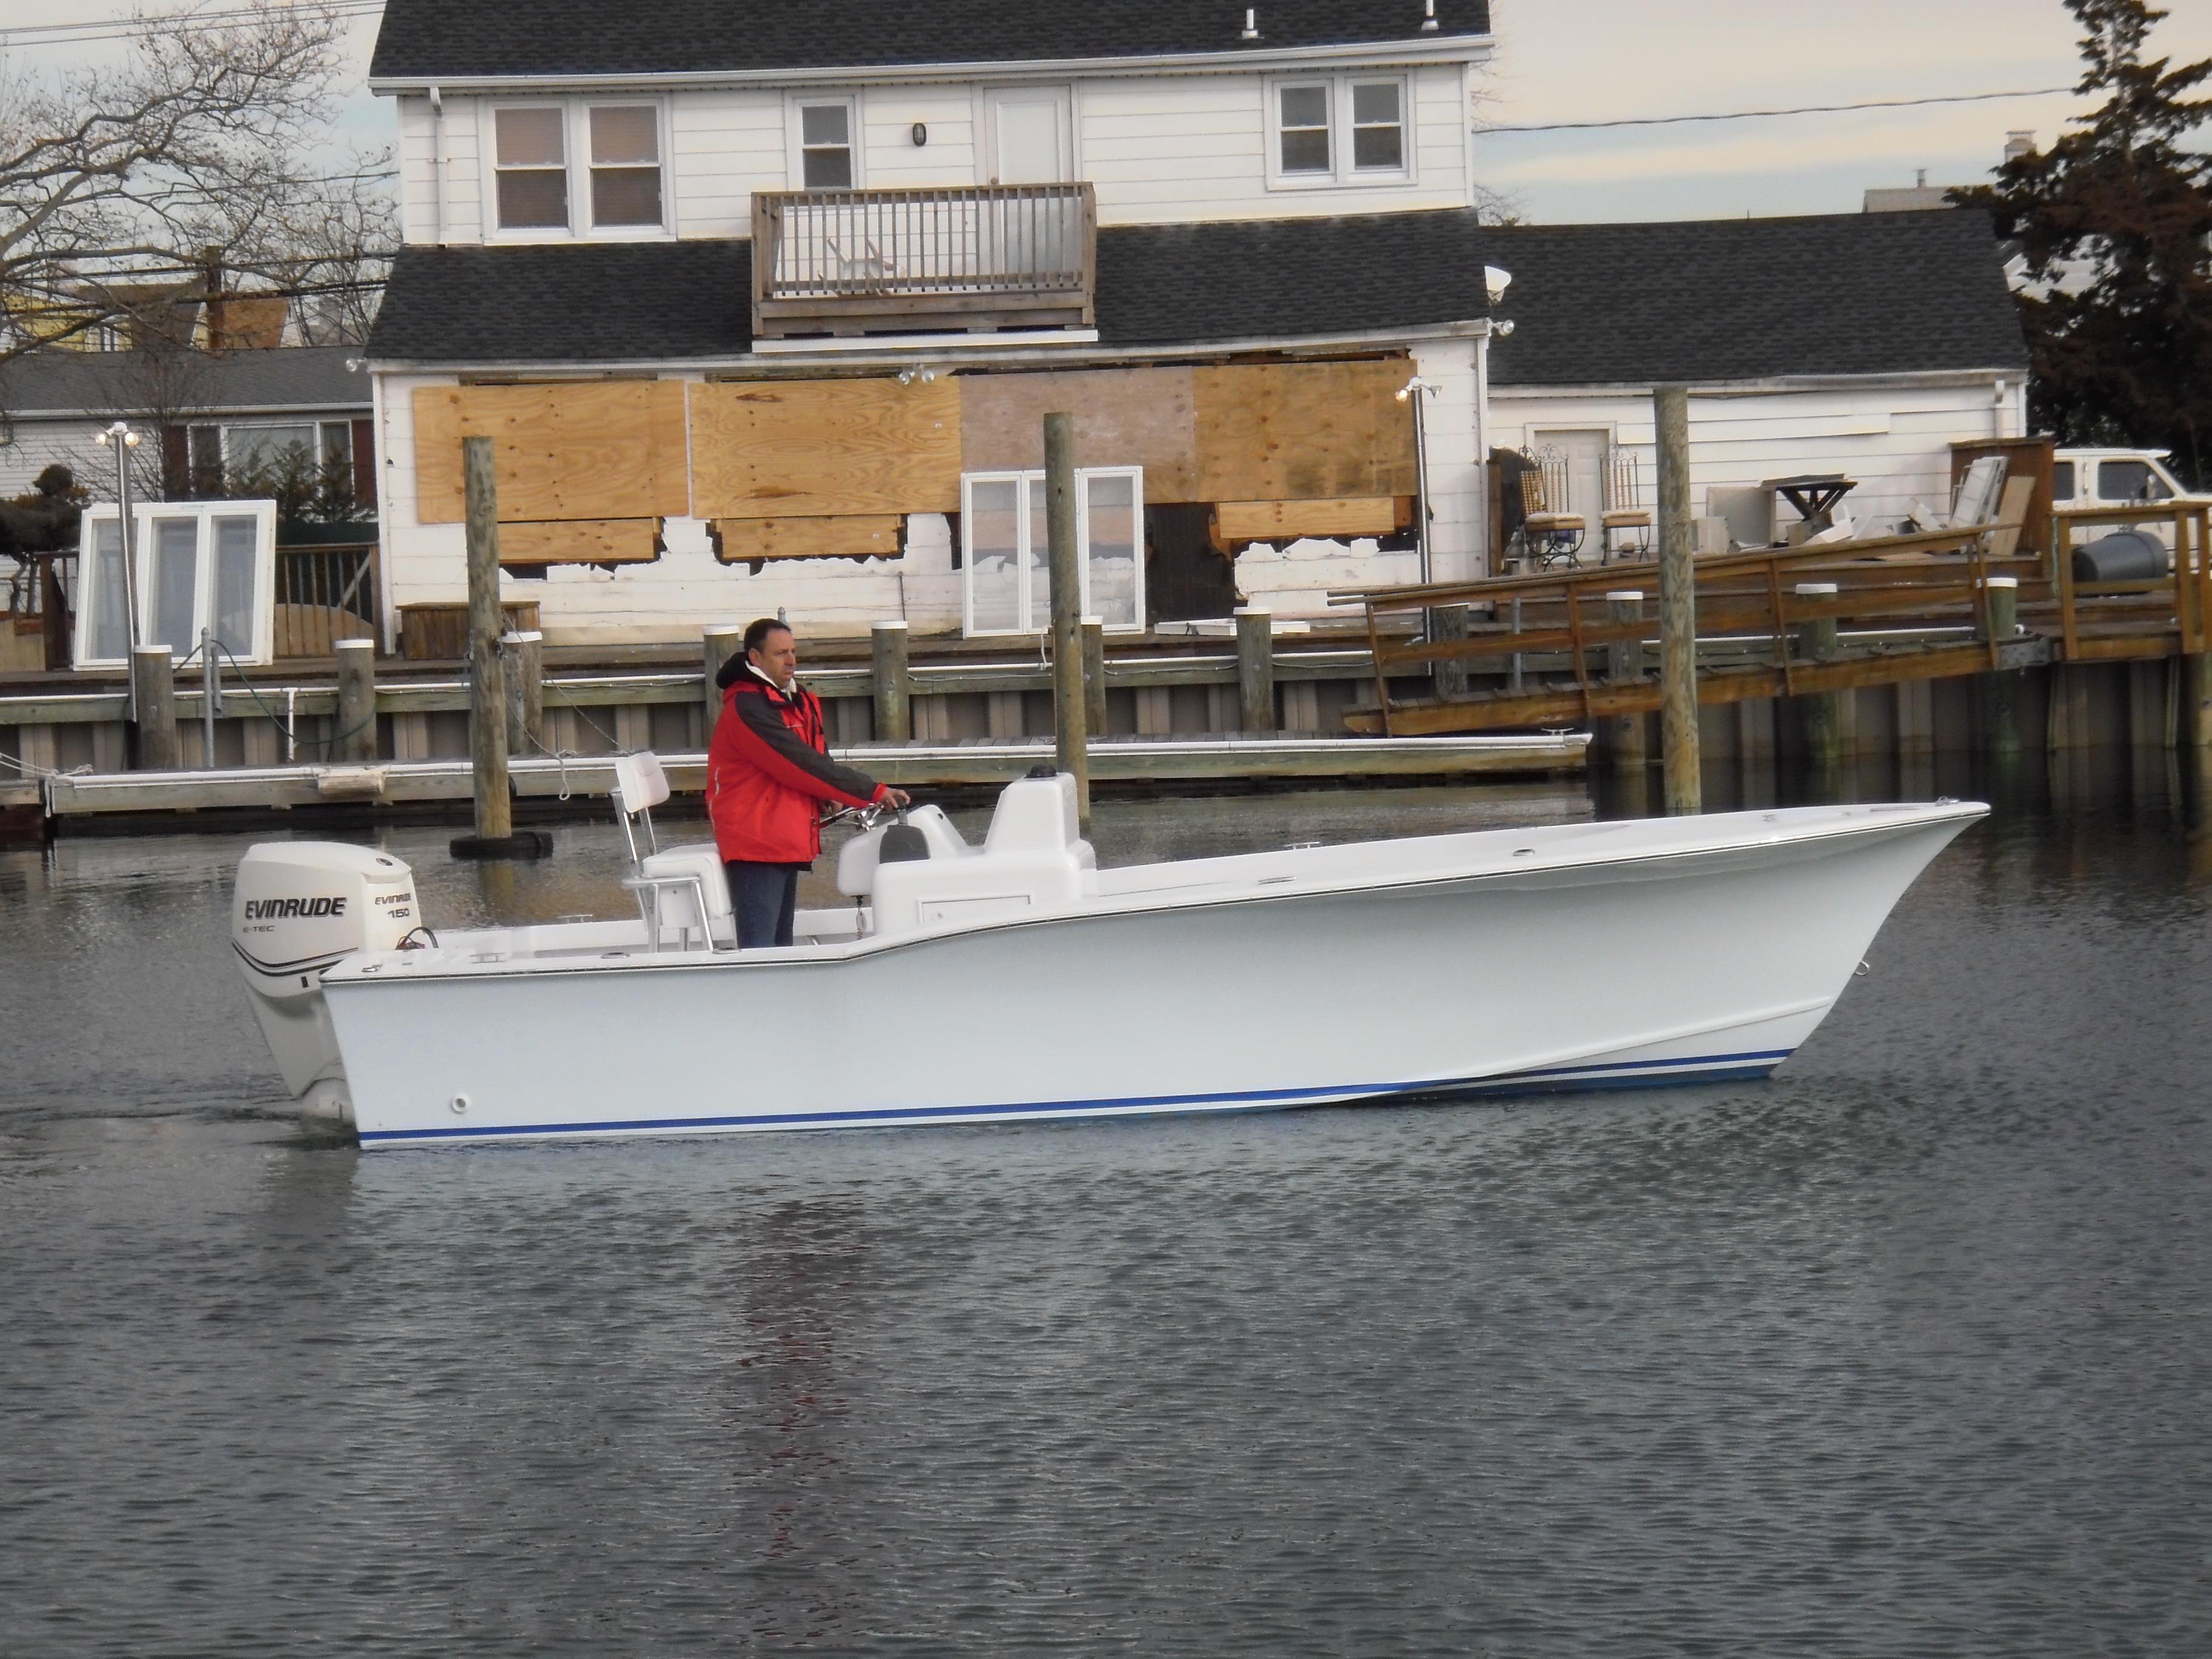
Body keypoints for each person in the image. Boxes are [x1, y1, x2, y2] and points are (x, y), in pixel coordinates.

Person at [706, 617, 910, 948]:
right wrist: (872, 791)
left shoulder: (792, 700)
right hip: (756, 838)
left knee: (780, 942)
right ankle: (758, 997)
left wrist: (826, 796)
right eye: (780, 654)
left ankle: (778, 996)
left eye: (793, 652)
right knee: (761, 945)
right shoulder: (748, 707)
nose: (791, 661)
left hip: (781, 834)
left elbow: (815, 756)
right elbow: (798, 763)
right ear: (755, 658)